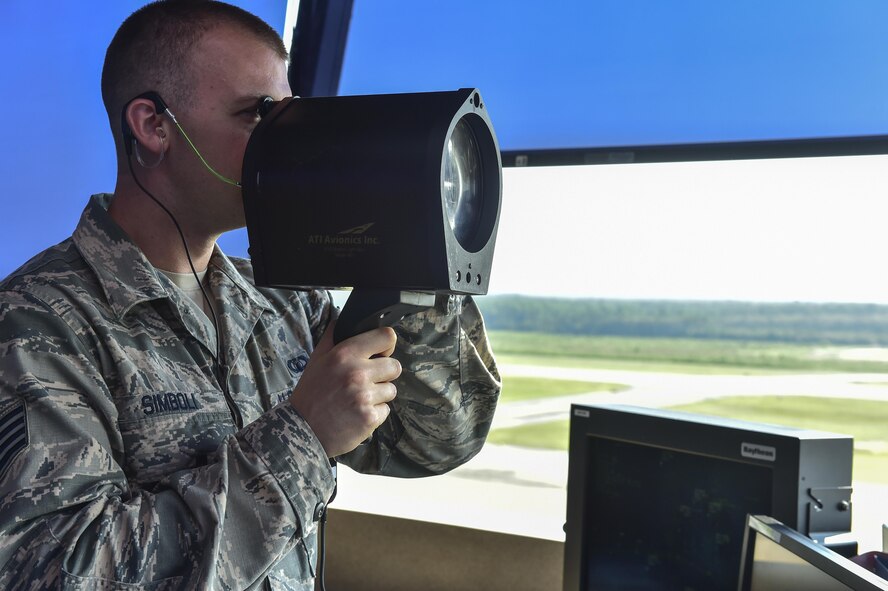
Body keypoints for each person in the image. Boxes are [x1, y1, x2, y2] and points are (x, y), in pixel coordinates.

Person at [0, 2, 500, 589]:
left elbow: (432, 440)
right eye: (257, 116)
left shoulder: (283, 303)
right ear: (154, 126)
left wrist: (407, 255)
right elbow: (55, 570)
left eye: (288, 119)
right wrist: (303, 435)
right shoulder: (37, 322)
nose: (284, 144)